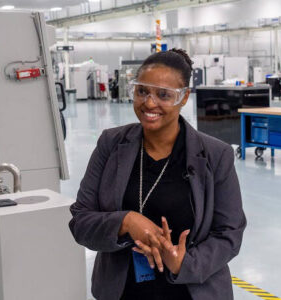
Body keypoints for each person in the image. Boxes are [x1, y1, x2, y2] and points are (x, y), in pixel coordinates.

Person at [69, 48, 246, 300]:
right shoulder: (111, 144)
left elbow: (229, 233)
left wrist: (183, 263)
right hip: (123, 291)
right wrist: (126, 222)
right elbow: (81, 221)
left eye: (164, 95)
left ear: (184, 98)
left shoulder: (215, 155)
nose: (149, 103)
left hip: (191, 292)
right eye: (142, 91)